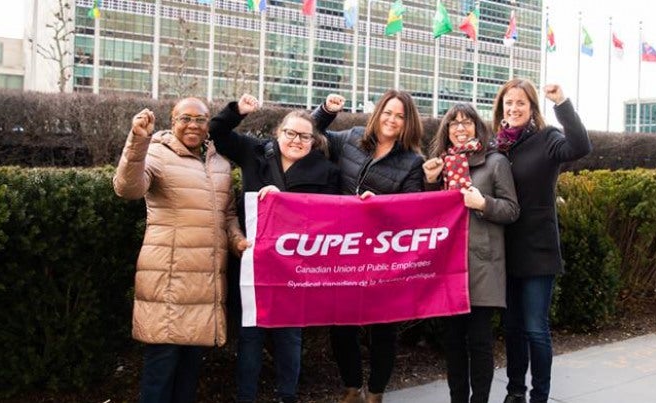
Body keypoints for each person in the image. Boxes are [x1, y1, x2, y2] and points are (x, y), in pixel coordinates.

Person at [207, 94, 343, 403]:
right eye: (290, 133)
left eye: (304, 136)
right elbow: (215, 132)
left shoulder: (326, 171)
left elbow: (332, 217)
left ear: (314, 140)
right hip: (252, 261)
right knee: (250, 335)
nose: (296, 140)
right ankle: (246, 397)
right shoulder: (254, 152)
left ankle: (287, 395)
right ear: (278, 133)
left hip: (295, 266)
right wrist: (237, 110)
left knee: (289, 335)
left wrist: (285, 204)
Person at [113, 97, 245, 403]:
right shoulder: (156, 154)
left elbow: (226, 216)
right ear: (172, 122)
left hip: (204, 284)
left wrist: (238, 241)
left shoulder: (220, 163)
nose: (193, 126)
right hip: (169, 281)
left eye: (200, 120)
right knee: (161, 369)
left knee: (189, 372)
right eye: (185, 118)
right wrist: (137, 140)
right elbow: (127, 188)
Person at [316, 89, 425, 403]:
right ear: (378, 113)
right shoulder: (350, 138)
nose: (392, 120)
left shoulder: (412, 161)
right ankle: (352, 388)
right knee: (341, 324)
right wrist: (325, 110)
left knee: (383, 328)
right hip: (344, 250)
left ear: (408, 123)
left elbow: (412, 209)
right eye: (388, 112)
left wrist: (382, 206)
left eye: (400, 116)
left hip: (382, 256)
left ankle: (376, 392)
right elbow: (310, 131)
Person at [492, 80, 591, 403]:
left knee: (535, 328)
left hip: (538, 250)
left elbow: (580, 146)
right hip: (504, 250)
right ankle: (515, 391)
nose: (514, 108)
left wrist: (562, 103)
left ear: (532, 108)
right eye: (509, 103)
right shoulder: (496, 146)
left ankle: (540, 396)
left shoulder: (547, 140)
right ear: (501, 108)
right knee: (513, 329)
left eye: (521, 103)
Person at [422, 103, 520, 403]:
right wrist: (430, 182)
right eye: (454, 123)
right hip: (448, 266)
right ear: (446, 130)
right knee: (452, 343)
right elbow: (426, 216)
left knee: (479, 343)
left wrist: (483, 204)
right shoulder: (439, 164)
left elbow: (512, 209)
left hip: (482, 263)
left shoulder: (495, 162)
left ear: (478, 127)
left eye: (467, 122)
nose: (460, 128)